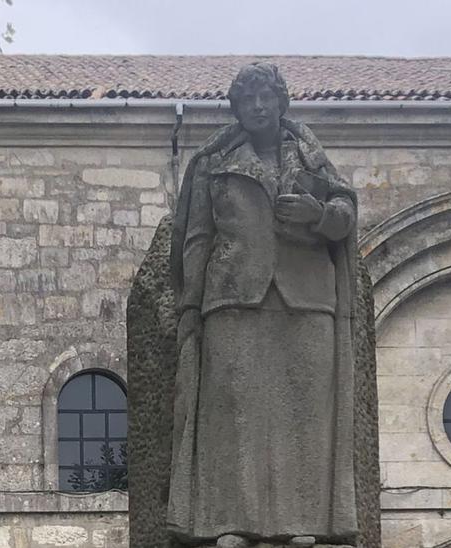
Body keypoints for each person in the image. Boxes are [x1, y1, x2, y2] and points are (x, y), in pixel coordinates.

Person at [166, 62, 359, 547]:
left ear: (281, 102)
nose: (256, 107)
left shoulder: (312, 159)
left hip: (308, 296)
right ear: (235, 108)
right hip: (232, 296)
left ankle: (304, 524)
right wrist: (190, 306)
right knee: (234, 416)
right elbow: (195, 238)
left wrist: (319, 216)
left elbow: (346, 215)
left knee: (305, 414)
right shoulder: (213, 163)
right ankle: (232, 521)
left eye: (265, 98)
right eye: (246, 100)